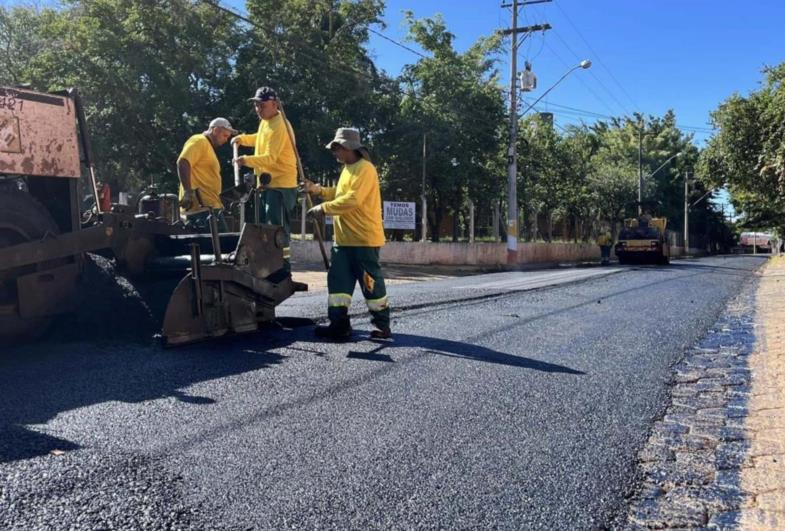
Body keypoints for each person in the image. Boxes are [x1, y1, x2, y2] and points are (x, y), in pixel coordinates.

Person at [303, 127, 390, 340]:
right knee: (338, 285)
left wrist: (322, 208)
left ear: (348, 148)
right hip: (343, 241)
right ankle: (339, 325)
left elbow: (352, 200)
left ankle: (382, 326)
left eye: (337, 148)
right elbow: (339, 193)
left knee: (370, 284)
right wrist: (319, 191)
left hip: (364, 240)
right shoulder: (347, 169)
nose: (335, 153)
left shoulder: (366, 169)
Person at [232, 87, 298, 274]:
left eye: (262, 105)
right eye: (256, 105)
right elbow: (260, 139)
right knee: (265, 228)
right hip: (268, 185)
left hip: (280, 187)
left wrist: (245, 160)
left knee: (276, 228)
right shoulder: (266, 122)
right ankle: (268, 265)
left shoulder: (280, 125)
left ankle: (283, 268)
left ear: (274, 105)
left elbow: (270, 157)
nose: (258, 108)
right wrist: (242, 139)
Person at [178, 117, 237, 230]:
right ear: (215, 130)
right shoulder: (199, 141)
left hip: (209, 207)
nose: (226, 140)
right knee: (223, 244)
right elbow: (183, 162)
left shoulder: (207, 146)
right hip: (202, 208)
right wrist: (187, 192)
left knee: (222, 243)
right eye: (225, 136)